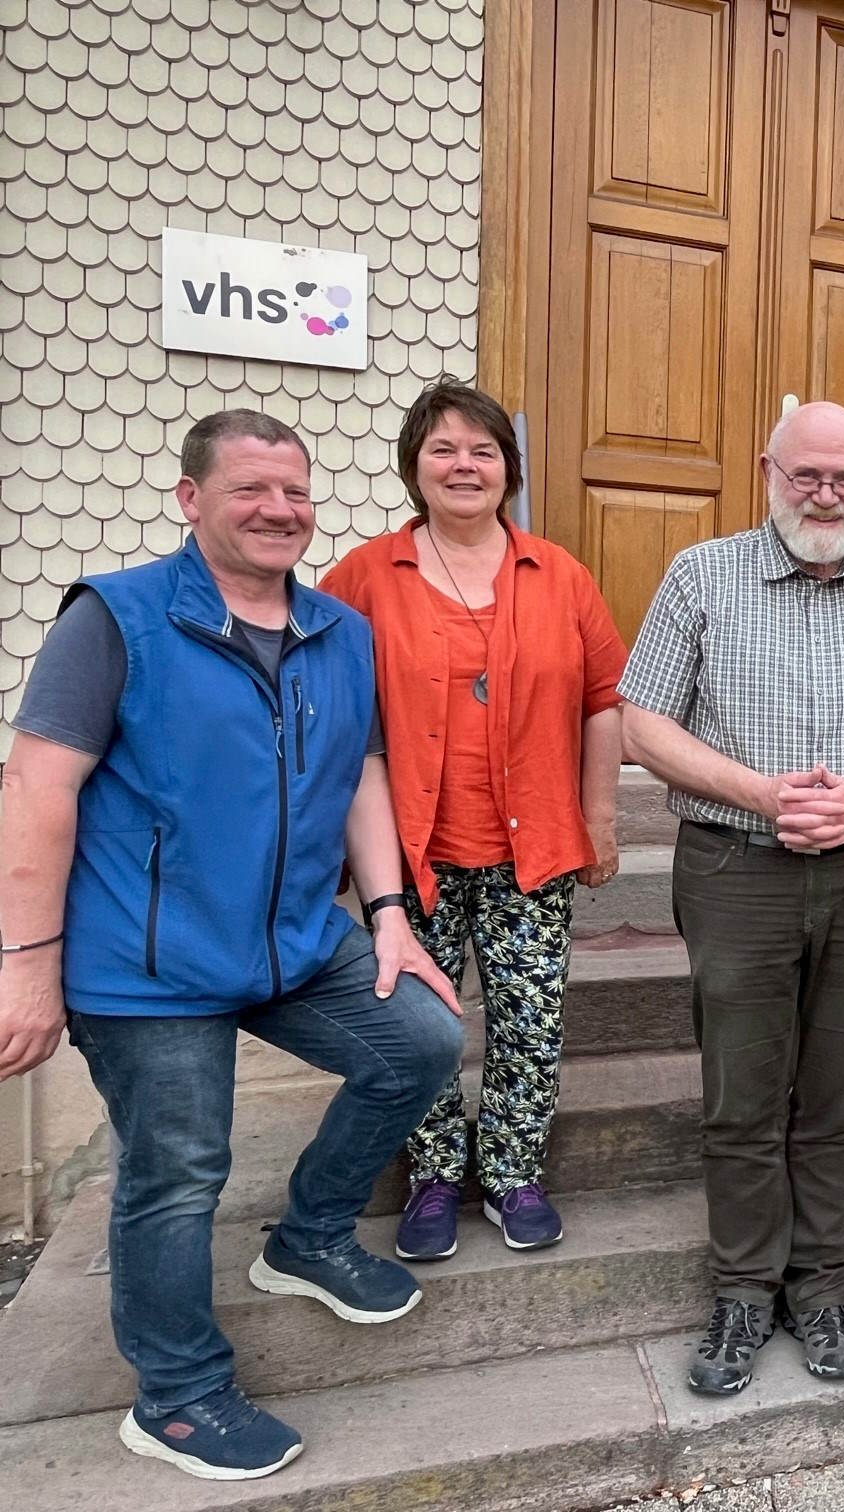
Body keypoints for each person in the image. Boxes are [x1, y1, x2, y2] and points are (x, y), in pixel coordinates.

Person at [0, 412, 463, 1481]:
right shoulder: (116, 618)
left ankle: (309, 1237)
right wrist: (27, 965)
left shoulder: (340, 632)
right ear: (191, 499)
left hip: (293, 940)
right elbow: (36, 787)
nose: (278, 510)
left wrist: (389, 913)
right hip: (147, 961)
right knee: (178, 1171)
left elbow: (360, 774)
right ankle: (176, 1394)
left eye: (294, 492)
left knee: (422, 1042)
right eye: (250, 488)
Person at [618, 400, 844, 1395]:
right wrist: (762, 795)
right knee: (741, 1095)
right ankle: (742, 1291)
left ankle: (820, 1288)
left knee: (839, 1093)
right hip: (736, 869)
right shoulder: (702, 574)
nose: (825, 495)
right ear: (768, 471)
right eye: (806, 474)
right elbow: (643, 722)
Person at [320, 380, 627, 1259]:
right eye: (444, 449)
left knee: (530, 1019)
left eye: (483, 450)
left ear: (507, 469)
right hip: (407, 853)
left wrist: (601, 817)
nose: (465, 466)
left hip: (533, 850)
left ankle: (513, 1172)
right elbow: (328, 710)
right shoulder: (364, 577)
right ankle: (434, 1173)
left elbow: (604, 701)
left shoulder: (560, 575)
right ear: (415, 467)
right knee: (420, 1024)